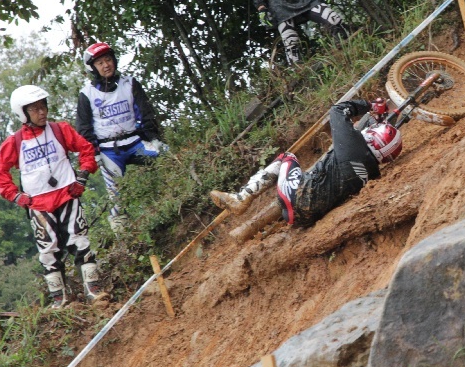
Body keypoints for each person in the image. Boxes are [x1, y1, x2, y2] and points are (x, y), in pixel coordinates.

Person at [0, 85, 106, 308]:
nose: (42, 112)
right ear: (23, 113)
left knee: (80, 241)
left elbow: (86, 149)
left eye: (43, 106)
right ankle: (59, 300)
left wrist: (82, 176)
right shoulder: (14, 142)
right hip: (38, 204)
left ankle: (93, 290)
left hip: (67, 194)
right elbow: (0, 175)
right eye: (35, 108)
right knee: (48, 251)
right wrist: (17, 197)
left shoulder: (60, 130)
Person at [210, 99, 402, 226]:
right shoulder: (371, 171)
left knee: (286, 158)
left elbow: (337, 111)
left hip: (295, 196)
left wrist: (368, 105)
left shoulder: (353, 149)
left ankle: (241, 198)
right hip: (303, 219)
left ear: (374, 138)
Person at [75, 42, 167, 234]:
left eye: (108, 59)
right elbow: (84, 128)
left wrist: (155, 138)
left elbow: (146, 112)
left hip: (136, 142)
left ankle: (174, 199)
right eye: (100, 63)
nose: (106, 65)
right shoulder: (87, 94)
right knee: (116, 196)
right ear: (93, 68)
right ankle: (123, 237)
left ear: (114, 60)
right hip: (109, 151)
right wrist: (94, 154)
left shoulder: (130, 83)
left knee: (168, 157)